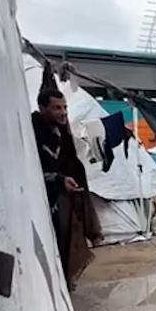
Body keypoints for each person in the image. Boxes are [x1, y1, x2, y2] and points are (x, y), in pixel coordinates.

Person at [32, 89, 100, 289]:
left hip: (61, 194)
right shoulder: (33, 133)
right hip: (40, 199)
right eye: (57, 108)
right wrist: (59, 179)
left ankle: (63, 279)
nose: (63, 112)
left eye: (65, 107)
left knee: (66, 238)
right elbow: (33, 169)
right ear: (42, 108)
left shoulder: (60, 132)